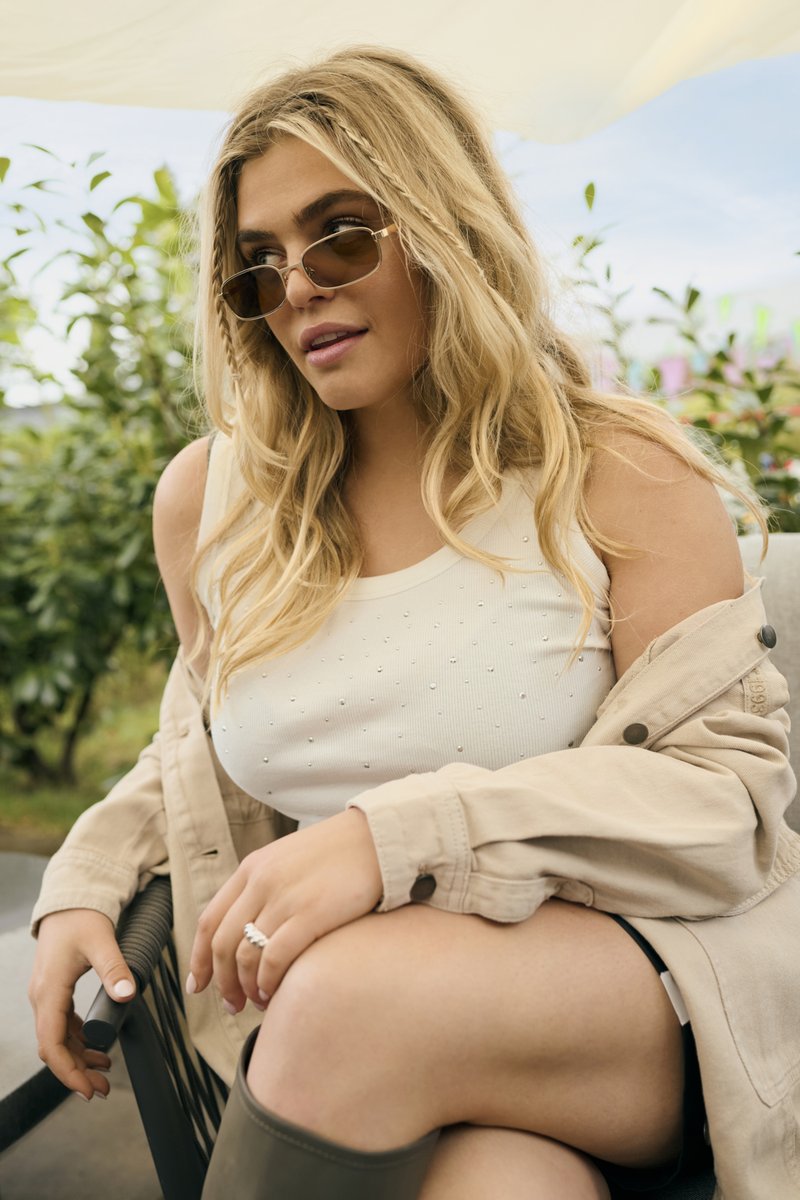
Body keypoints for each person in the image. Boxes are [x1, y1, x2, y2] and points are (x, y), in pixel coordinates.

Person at [28, 45, 800, 1200]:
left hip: (629, 988)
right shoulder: (214, 500)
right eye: (256, 267)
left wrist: (389, 840)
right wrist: (86, 878)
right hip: (346, 1036)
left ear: (446, 224)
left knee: (350, 1000)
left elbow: (723, 799)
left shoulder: (613, 472)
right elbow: (195, 743)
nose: (297, 288)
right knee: (501, 1185)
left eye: (340, 235)